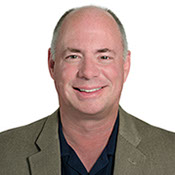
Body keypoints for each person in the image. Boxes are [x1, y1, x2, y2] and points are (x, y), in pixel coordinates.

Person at [0, 5, 175, 175]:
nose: (88, 72)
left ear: (125, 65)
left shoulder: (170, 154)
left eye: (104, 57)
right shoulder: (4, 153)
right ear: (52, 65)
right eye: (73, 56)